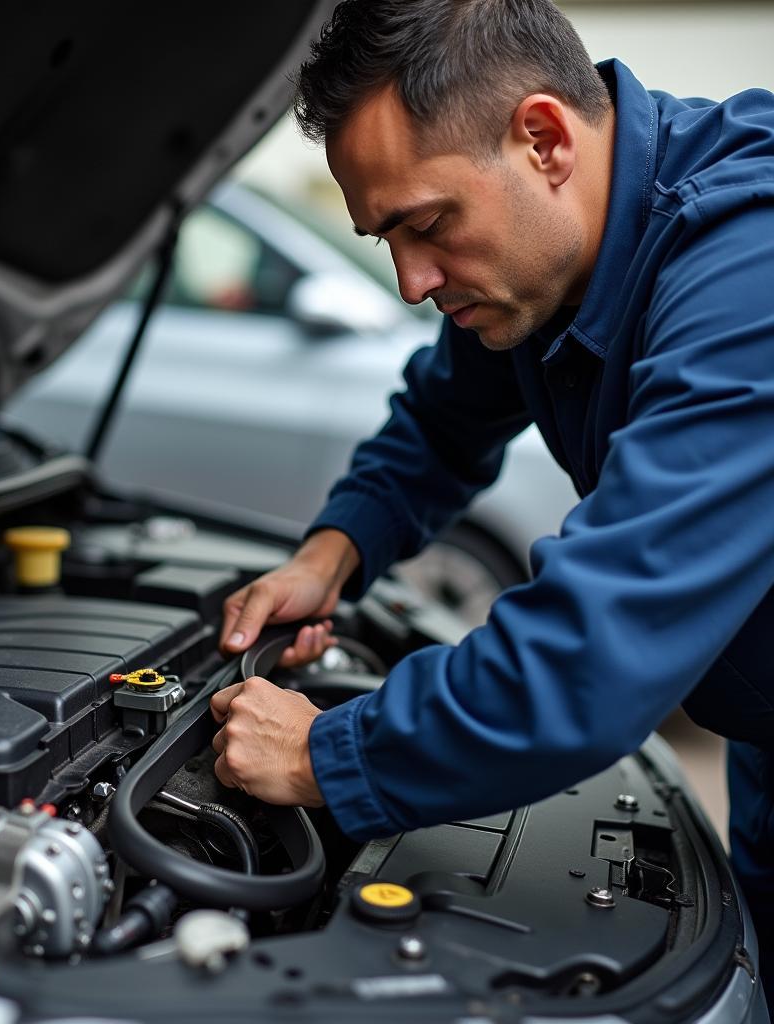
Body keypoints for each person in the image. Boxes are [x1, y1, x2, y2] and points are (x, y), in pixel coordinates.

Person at [209, 0, 774, 994]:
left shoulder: (747, 272)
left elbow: (589, 651)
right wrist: (331, 553)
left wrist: (327, 755)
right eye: (384, 239)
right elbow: (441, 422)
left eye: (424, 226)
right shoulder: (539, 259)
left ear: (545, 139)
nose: (411, 282)